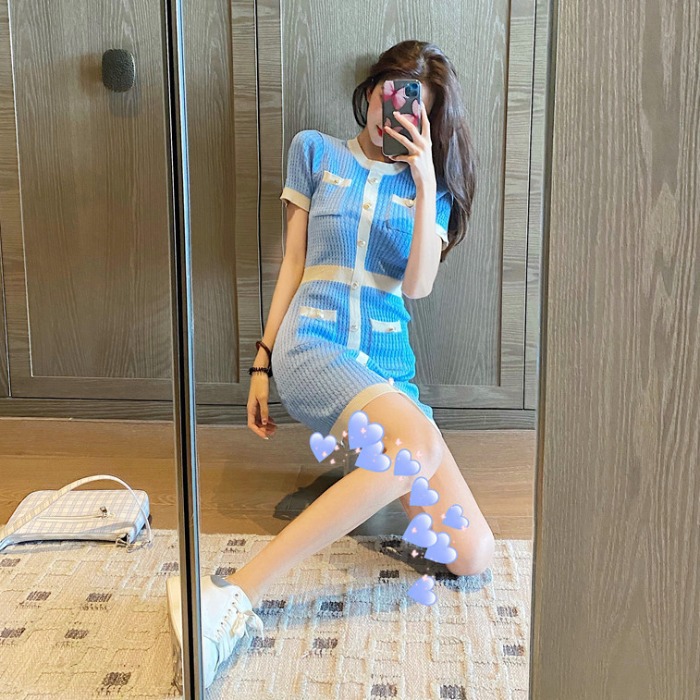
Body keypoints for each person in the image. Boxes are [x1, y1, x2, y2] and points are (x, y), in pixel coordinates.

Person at [167, 39, 495, 690]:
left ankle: (372, 478)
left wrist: (425, 181)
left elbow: (418, 287)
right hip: (313, 343)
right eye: (388, 90)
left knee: (471, 553)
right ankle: (233, 593)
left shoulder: (430, 190)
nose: (391, 110)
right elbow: (293, 263)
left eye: (412, 104)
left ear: (426, 119)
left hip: (388, 371)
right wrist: (261, 361)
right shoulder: (314, 151)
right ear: (371, 89)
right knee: (417, 446)